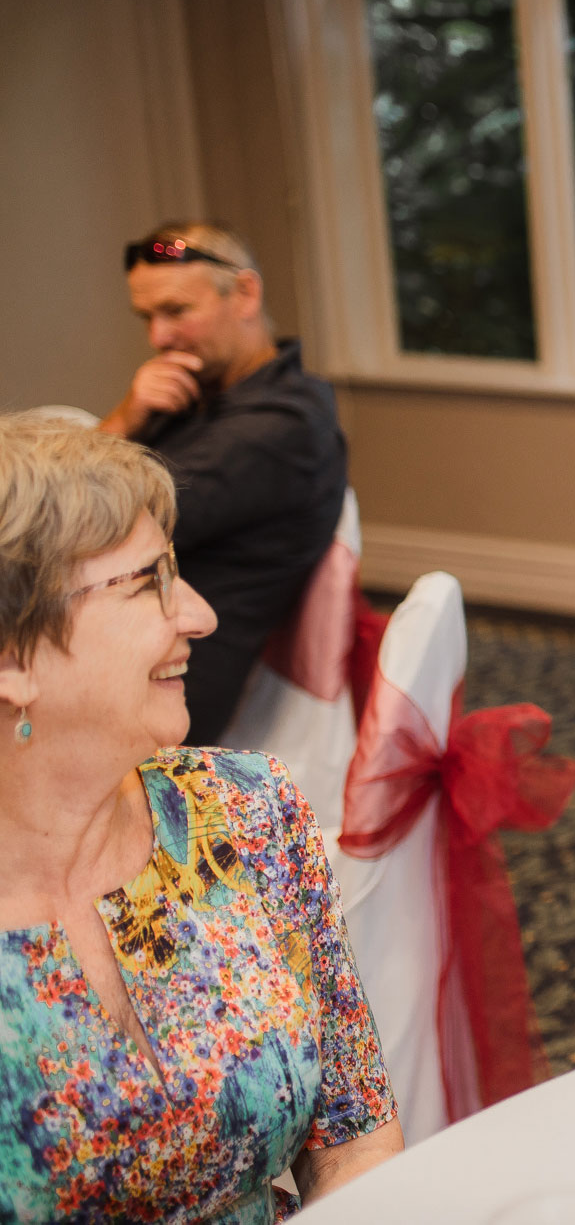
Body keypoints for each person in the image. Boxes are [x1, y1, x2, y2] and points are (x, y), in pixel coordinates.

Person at [0, 412, 400, 1220]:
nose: (199, 614)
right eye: (148, 581)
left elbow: (356, 1138)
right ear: (13, 656)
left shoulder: (248, 812)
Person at [98, 223, 348, 744]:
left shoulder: (278, 428)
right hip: (115, 646)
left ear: (245, 293)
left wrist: (121, 424)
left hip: (161, 694)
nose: (158, 338)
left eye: (176, 311)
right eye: (147, 317)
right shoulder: (202, 394)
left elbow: (86, 523)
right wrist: (129, 415)